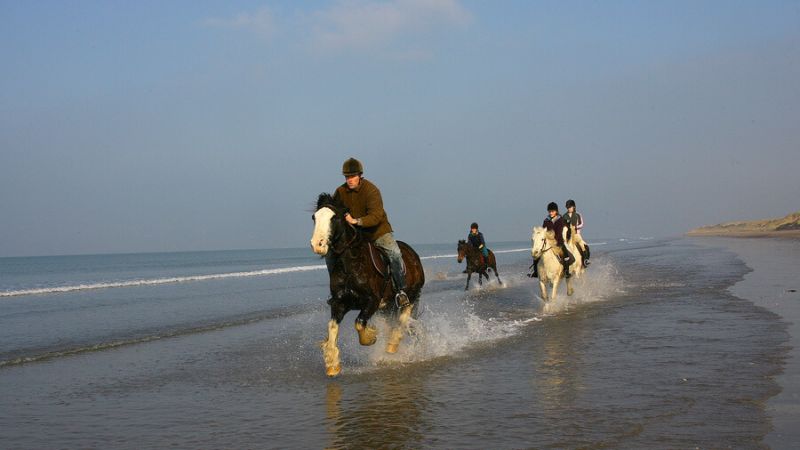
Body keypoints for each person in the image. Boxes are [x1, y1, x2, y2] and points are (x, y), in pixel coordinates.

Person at [326, 157, 409, 307]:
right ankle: (336, 291)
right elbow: (333, 211)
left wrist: (355, 221)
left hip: (377, 232)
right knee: (330, 255)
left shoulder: (371, 190)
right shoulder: (340, 191)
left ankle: (400, 291)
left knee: (395, 253)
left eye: (352, 176)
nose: (349, 180)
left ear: (360, 176)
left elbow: (376, 217)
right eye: (347, 177)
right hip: (355, 236)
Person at [530, 202, 574, 278]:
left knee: (565, 254)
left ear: (556, 211)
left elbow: (559, 232)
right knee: (536, 255)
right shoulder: (546, 220)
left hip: (558, 241)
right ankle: (535, 272)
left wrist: (554, 241)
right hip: (547, 243)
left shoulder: (560, 220)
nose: (551, 213)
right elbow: (544, 231)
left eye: (552, 211)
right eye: (549, 211)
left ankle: (567, 271)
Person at [563, 199, 590, 267]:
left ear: (573, 207)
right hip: (567, 235)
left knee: (583, 245)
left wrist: (575, 227)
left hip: (576, 234)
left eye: (570, 207)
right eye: (567, 207)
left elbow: (582, 224)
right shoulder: (564, 216)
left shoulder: (578, 215)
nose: (568, 208)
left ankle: (585, 260)